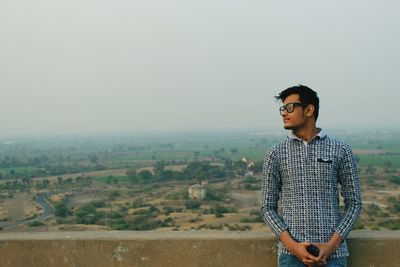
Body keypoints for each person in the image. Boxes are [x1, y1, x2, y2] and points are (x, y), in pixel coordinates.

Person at [261, 85, 362, 267]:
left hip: (333, 256)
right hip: (290, 257)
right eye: (282, 109)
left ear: (309, 110)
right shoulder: (275, 153)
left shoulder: (340, 149)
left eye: (290, 107)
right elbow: (267, 208)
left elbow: (354, 203)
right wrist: (293, 246)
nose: (284, 113)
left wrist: (331, 246)